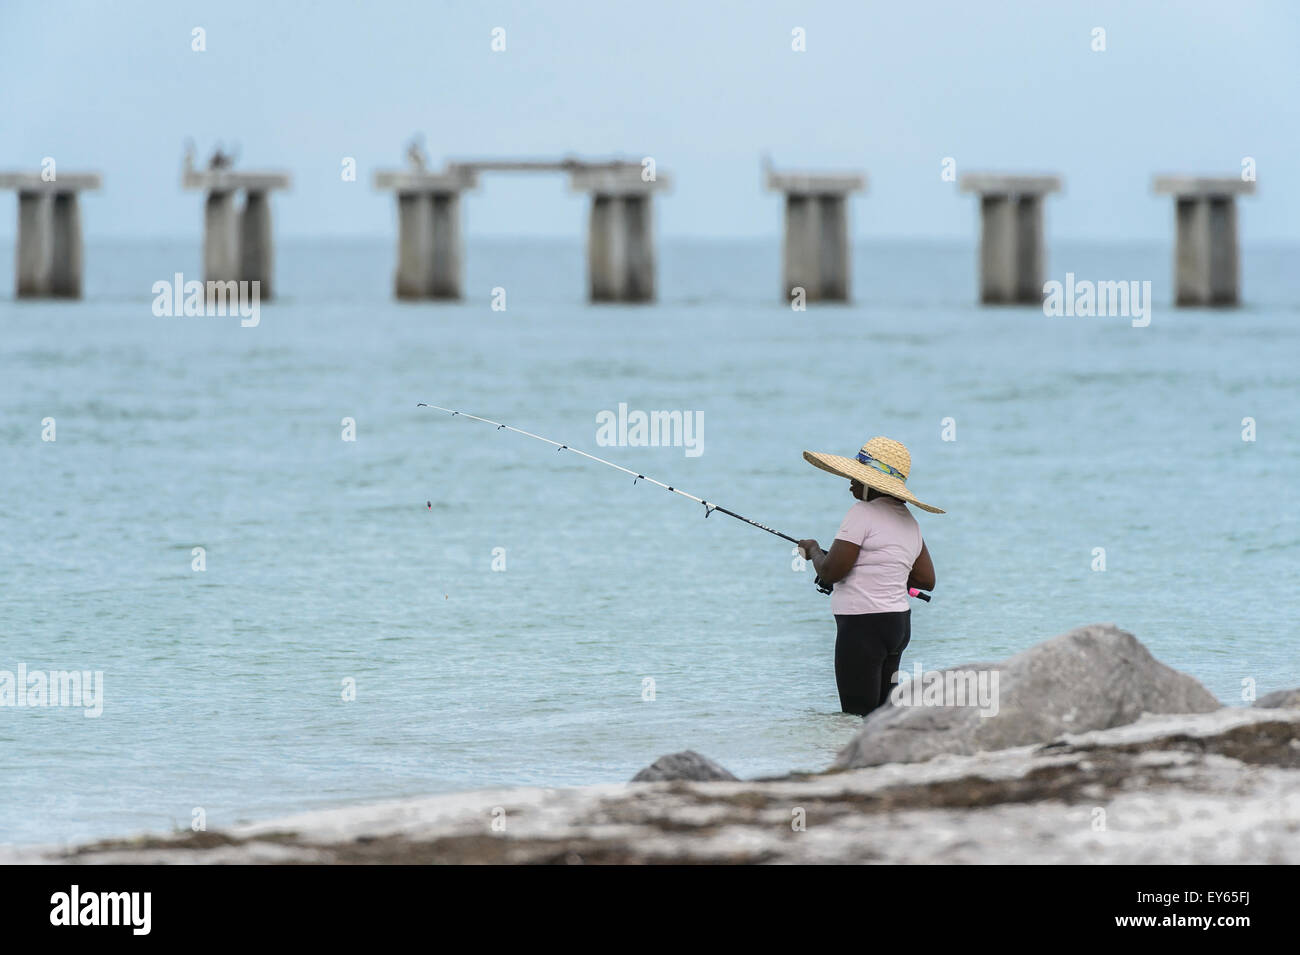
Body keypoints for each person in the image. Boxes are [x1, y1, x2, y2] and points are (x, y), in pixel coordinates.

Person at [797, 437, 942, 716]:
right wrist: (883, 567)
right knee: (882, 716)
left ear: (872, 483)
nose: (850, 482)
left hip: (862, 628)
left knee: (856, 716)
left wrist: (813, 550)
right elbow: (926, 580)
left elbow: (831, 571)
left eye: (856, 476)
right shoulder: (909, 520)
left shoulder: (861, 513)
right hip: (897, 625)